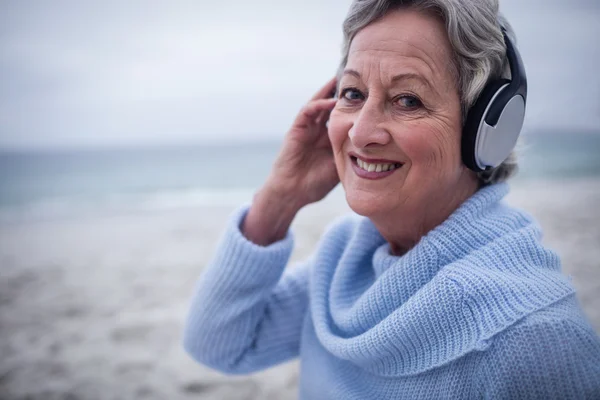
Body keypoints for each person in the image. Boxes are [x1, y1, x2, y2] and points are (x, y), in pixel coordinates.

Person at [183, 0, 600, 398]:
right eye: (353, 93)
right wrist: (279, 198)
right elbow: (218, 345)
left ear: (487, 129)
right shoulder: (347, 258)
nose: (361, 132)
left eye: (407, 100)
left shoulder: (534, 336)